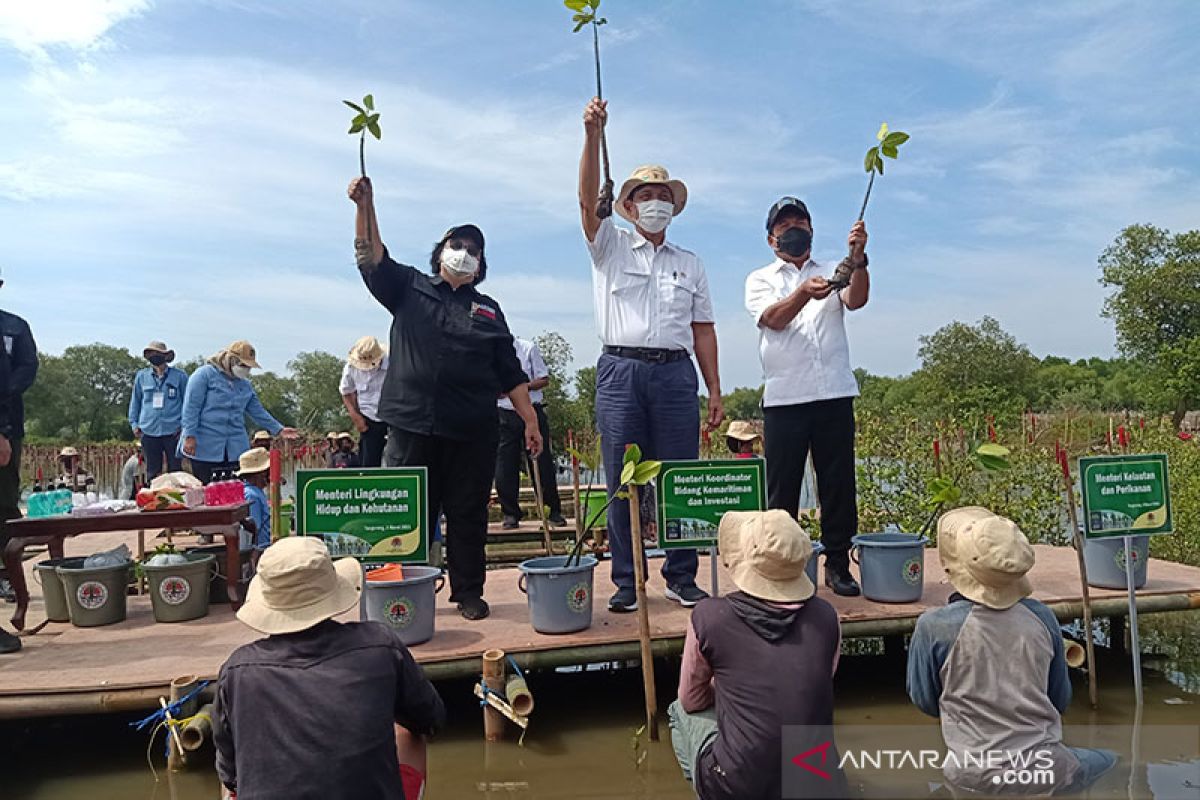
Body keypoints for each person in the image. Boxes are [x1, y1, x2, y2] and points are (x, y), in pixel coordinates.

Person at [349, 175, 543, 621]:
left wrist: (530, 421)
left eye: (475, 250)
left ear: (481, 265)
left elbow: (510, 373)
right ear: (440, 253)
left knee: (468, 514)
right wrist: (366, 205)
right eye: (458, 244)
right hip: (411, 426)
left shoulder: (490, 309)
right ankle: (395, 592)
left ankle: (468, 592)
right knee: (403, 512)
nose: (465, 253)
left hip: (473, 431)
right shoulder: (408, 287)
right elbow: (371, 255)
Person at [579, 97, 724, 612]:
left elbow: (703, 330)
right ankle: (625, 580)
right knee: (622, 480)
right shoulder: (611, 246)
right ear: (629, 204)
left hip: (677, 375)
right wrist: (593, 135)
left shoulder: (692, 262)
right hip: (621, 371)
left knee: (679, 478)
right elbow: (583, 202)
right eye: (646, 194)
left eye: (664, 195)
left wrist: (716, 390)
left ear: (672, 206)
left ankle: (681, 576)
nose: (656, 202)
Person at [214, 536, 445, 800]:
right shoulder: (381, 645)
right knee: (408, 730)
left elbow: (230, 774)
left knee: (233, 784)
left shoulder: (236, 670)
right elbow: (431, 719)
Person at [907, 507, 1118, 795]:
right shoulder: (1043, 618)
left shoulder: (932, 627)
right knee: (1113, 760)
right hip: (1046, 770)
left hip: (970, 775)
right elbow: (1059, 700)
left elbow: (926, 702)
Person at [669, 510, 847, 799]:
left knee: (678, 710)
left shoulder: (708, 617)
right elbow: (814, 682)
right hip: (819, 784)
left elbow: (692, 699)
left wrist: (727, 690)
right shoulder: (826, 617)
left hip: (737, 786)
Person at [744, 196, 870, 597]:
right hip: (785, 399)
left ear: (812, 230)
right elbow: (773, 320)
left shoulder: (833, 270)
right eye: (785, 224)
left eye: (800, 221)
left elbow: (857, 299)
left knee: (838, 484)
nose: (794, 228)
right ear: (771, 238)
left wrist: (859, 259)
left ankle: (837, 564)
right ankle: (783, 566)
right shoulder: (759, 279)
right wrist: (802, 293)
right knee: (783, 489)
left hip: (834, 392)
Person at [179, 341, 298, 484]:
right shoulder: (203, 375)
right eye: (243, 365)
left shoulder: (245, 385)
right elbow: (191, 408)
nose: (246, 370)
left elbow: (257, 411)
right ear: (231, 360)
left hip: (235, 447)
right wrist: (189, 435)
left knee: (236, 490)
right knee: (207, 490)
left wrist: (279, 429)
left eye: (249, 367)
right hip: (206, 445)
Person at [0, 271, 38, 653]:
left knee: (6, 510)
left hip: (7, 424)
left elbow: (25, 370)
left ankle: (8, 576)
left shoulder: (14, 326)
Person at [495, 337, 567, 530]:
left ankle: (553, 510)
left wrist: (519, 387)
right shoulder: (492, 350)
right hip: (504, 412)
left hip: (531, 410)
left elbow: (544, 379)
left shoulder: (527, 348)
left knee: (542, 462)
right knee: (504, 465)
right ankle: (510, 513)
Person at [127, 340, 189, 480]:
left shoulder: (180, 376)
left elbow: (188, 404)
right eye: (151, 354)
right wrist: (134, 424)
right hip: (148, 430)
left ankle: (175, 500)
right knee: (152, 471)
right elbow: (135, 401)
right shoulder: (141, 377)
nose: (154, 356)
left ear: (165, 356)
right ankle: (153, 500)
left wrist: (184, 428)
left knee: (176, 471)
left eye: (157, 353)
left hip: (173, 431)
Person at [340, 335, 389, 468]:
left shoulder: (393, 362)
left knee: (396, 462)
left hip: (393, 417)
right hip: (367, 420)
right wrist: (355, 417)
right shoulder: (350, 368)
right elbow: (346, 392)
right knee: (368, 465)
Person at [235, 447, 272, 565]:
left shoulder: (255, 491)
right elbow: (254, 527)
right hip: (260, 548)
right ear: (260, 474)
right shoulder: (252, 495)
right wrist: (254, 556)